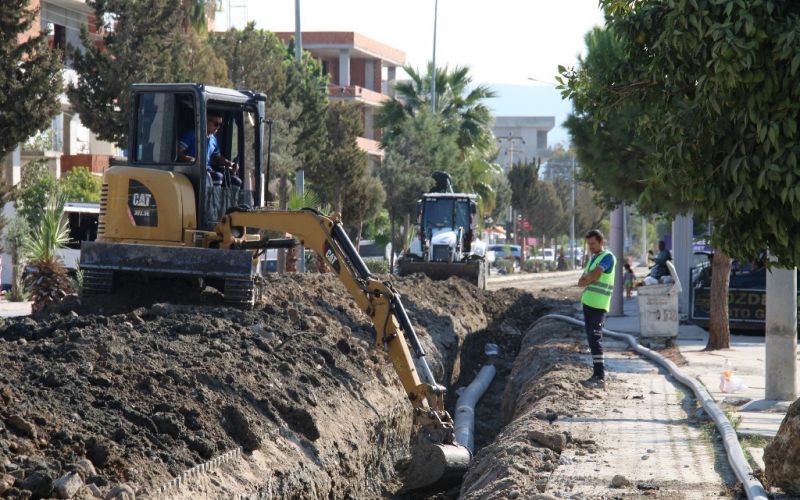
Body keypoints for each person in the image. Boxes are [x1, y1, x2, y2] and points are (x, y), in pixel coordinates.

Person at [577, 229, 617, 389]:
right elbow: (582, 279)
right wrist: (586, 279)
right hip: (588, 303)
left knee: (595, 337)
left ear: (601, 242)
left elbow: (595, 275)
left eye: (593, 244)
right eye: (589, 245)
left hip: (599, 305)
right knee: (591, 340)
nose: (591, 247)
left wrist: (587, 279)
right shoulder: (593, 258)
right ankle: (595, 374)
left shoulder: (608, 257)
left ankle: (600, 376)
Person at [177, 111, 242, 187]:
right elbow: (177, 152)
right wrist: (192, 160)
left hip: (208, 171)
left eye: (220, 125)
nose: (218, 127)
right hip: (192, 171)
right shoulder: (192, 134)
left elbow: (216, 158)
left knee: (236, 181)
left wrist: (230, 163)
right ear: (205, 121)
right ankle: (213, 199)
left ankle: (233, 199)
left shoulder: (213, 139)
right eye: (216, 124)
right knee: (217, 177)